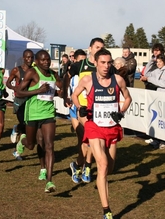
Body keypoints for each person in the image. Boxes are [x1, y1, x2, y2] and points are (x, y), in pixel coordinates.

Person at [71, 48, 132, 219]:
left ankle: (98, 180)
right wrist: (80, 107)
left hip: (111, 128)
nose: (106, 66)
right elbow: (75, 95)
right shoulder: (87, 80)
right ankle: (107, 211)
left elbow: (128, 98)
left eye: (109, 62)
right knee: (103, 165)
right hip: (94, 127)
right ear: (96, 63)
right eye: (103, 63)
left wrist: (121, 112)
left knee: (109, 169)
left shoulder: (117, 80)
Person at [63, 38, 112, 184]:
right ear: (90, 49)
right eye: (97, 47)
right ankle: (86, 166)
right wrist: (65, 95)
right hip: (82, 108)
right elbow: (67, 76)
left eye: (102, 47)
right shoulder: (80, 65)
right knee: (89, 137)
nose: (99, 50)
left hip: (98, 109)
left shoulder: (104, 67)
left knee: (88, 141)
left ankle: (80, 165)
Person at [15, 50, 63, 193]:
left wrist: (60, 93)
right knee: (32, 144)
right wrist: (38, 91)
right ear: (36, 61)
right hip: (33, 113)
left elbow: (60, 90)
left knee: (49, 145)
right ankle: (22, 141)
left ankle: (49, 181)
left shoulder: (53, 74)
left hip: (48, 113)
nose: (46, 62)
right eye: (43, 60)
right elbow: (19, 92)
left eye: (48, 59)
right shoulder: (32, 73)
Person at [6, 49, 34, 161]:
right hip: (19, 100)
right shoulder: (16, 70)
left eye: (31, 57)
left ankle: (17, 151)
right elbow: (8, 82)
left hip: (30, 100)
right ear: (23, 58)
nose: (29, 59)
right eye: (27, 57)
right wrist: (14, 88)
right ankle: (16, 128)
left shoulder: (34, 71)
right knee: (24, 123)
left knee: (28, 126)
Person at [67, 49, 87, 133]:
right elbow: (66, 85)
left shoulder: (88, 74)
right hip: (73, 106)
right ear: (74, 60)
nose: (83, 63)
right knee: (80, 135)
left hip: (84, 105)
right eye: (81, 61)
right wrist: (66, 97)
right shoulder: (71, 75)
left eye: (84, 60)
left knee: (88, 132)